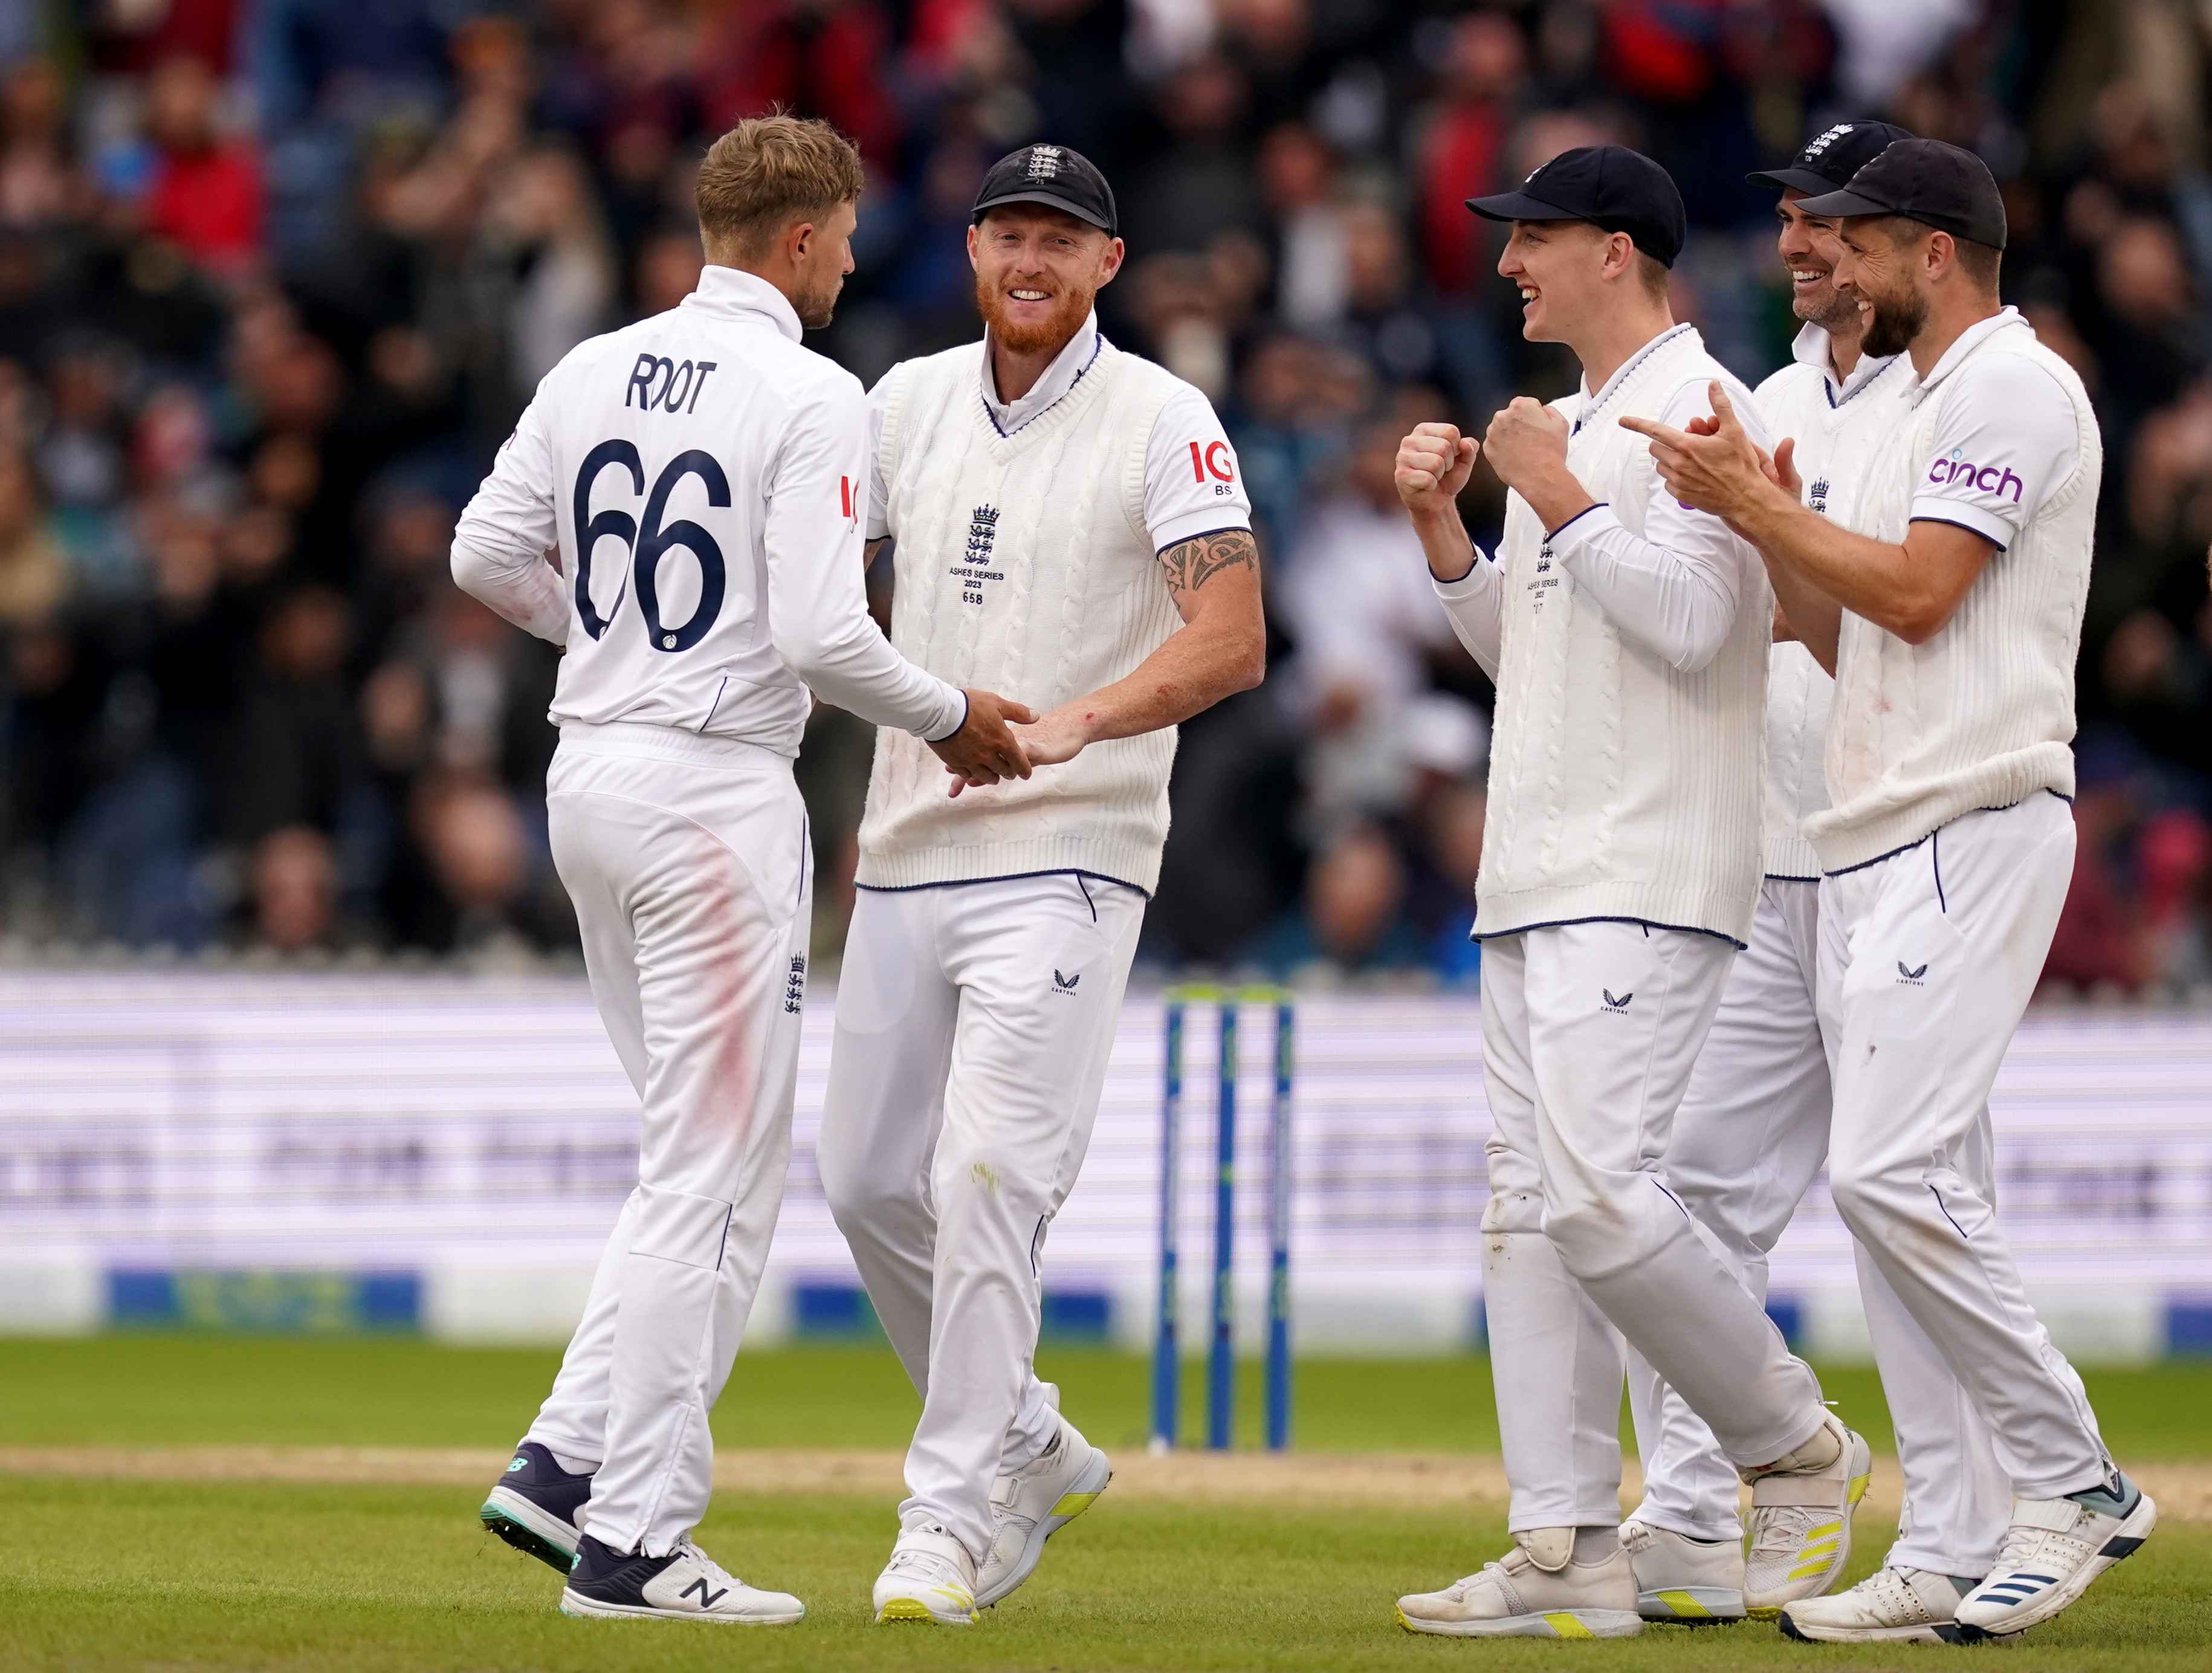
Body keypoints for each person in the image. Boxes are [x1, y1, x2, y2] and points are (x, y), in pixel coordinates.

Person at [450, 114, 1033, 1626]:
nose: (851, 255)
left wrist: (616, 644)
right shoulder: (810, 390)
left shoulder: (592, 365)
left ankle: (571, 1463)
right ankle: (636, 1544)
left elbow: (482, 554)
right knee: (709, 1177)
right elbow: (827, 641)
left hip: (591, 775)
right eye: (841, 234)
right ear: (797, 237)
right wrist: (955, 714)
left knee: (680, 1163)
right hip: (710, 800)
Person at [1626, 137, 2156, 1644]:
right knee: (1901, 1199)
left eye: (1850, 241)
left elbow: (1922, 593)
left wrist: (1764, 506)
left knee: (1891, 1177)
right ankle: (1950, 1529)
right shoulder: (1919, 396)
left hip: (1976, 814)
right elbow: (1846, 634)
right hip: (1876, 826)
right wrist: (1760, 519)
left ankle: (2078, 1482)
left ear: (1935, 250)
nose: (1822, 263)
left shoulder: (2009, 385)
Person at [1389, 144, 1870, 1641]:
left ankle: (1794, 1441)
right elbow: (1536, 652)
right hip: (1535, 865)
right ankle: (1567, 1549)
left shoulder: (1706, 408)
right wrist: (1457, 541)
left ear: (1617, 251)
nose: (1511, 262)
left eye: (1535, 237)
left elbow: (1696, 626)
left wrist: (1557, 494)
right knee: (1530, 1216)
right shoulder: (1575, 421)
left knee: (1599, 1199)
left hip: (1650, 866)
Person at [815, 142, 1265, 1626]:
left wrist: (1073, 721)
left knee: (987, 1176)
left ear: (1107, 266)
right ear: (972, 247)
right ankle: (1024, 1439)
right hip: (908, 841)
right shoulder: (902, 401)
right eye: (1010, 231)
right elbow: (813, 578)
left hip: (1072, 849)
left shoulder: (1165, 415)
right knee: (869, 1179)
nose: (1033, 260)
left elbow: (1231, 638)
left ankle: (949, 1517)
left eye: (1062, 241)